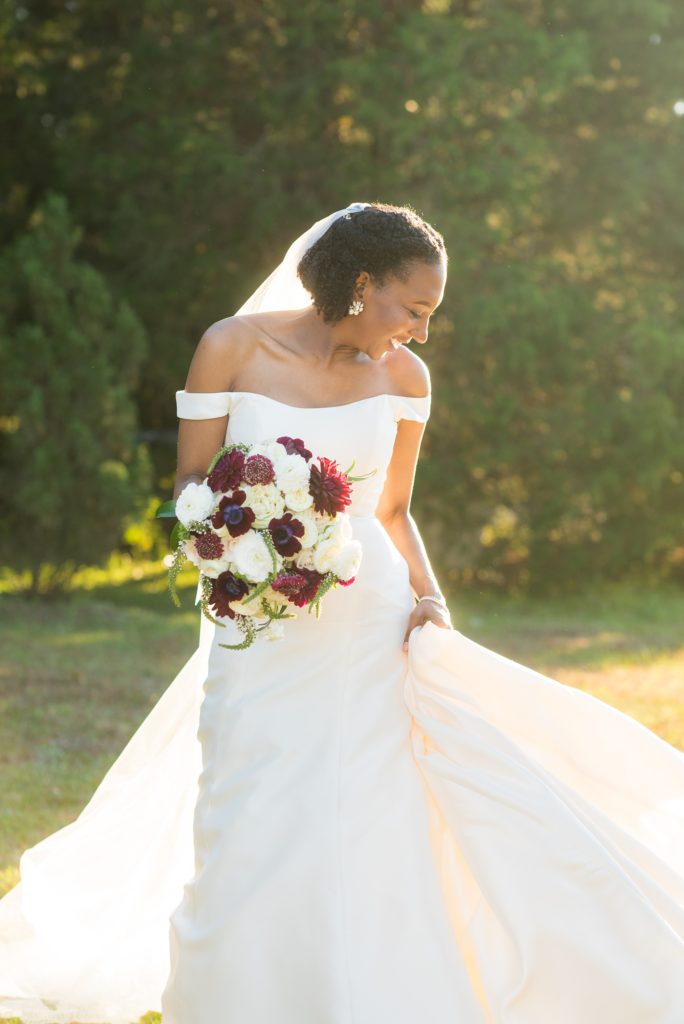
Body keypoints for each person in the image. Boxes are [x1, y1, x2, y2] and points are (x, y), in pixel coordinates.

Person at [1, 202, 683, 1024]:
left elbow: (391, 510)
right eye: (416, 309)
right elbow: (188, 485)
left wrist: (430, 599)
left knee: (367, 811)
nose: (424, 333)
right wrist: (241, 539)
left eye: (432, 316)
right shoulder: (231, 347)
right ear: (363, 283)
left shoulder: (405, 380)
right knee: (247, 799)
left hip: (369, 624)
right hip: (259, 621)